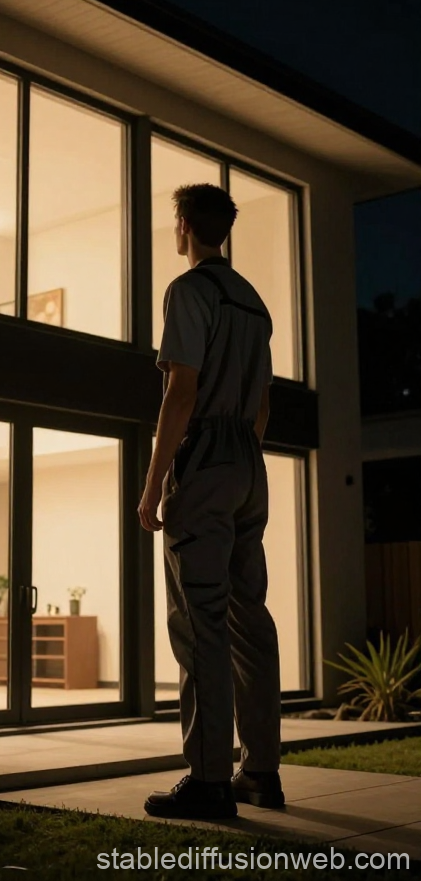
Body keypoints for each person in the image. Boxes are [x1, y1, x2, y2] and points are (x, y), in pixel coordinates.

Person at [138, 183, 284, 821]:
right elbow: (263, 404)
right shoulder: (253, 302)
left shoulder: (188, 290)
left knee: (201, 624)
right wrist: (244, 458)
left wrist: (153, 483)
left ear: (183, 226)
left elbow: (181, 390)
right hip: (251, 463)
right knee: (250, 619)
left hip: (206, 460)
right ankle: (261, 774)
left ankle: (208, 782)